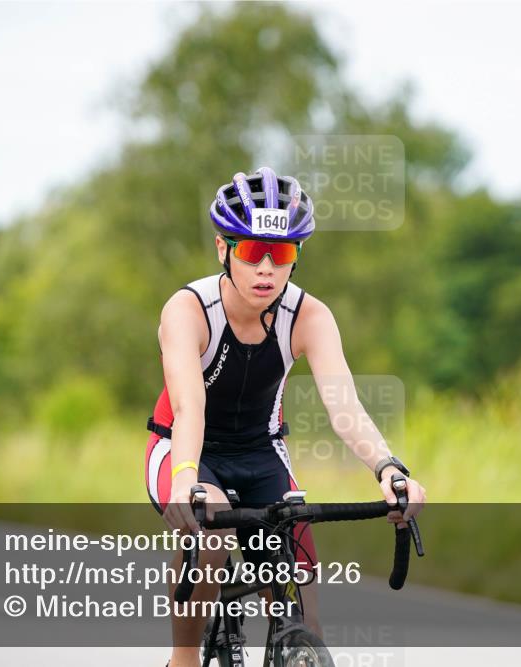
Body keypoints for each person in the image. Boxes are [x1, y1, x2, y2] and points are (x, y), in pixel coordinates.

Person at [144, 167, 426, 667]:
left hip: (260, 452)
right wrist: (186, 480)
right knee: (211, 539)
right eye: (253, 252)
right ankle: (184, 659)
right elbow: (189, 407)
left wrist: (389, 468)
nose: (267, 270)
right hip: (185, 450)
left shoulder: (309, 316)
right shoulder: (188, 310)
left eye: (284, 254)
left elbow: (345, 408)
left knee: (306, 619)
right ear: (222, 248)